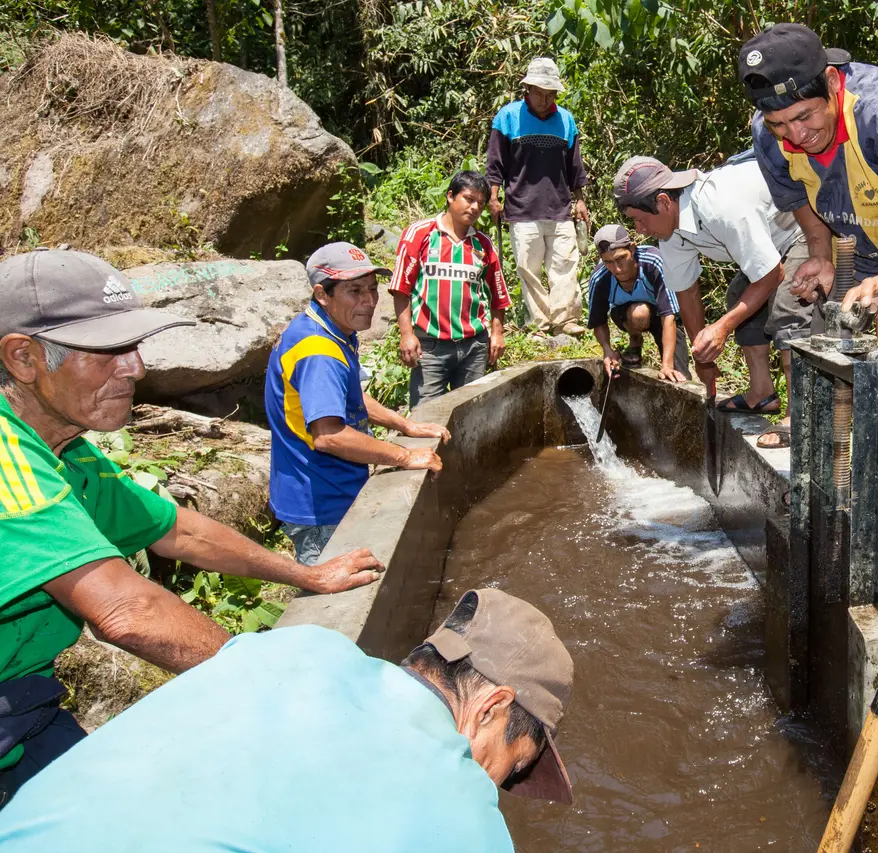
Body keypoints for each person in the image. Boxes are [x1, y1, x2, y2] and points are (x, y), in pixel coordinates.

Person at [0, 250, 384, 805]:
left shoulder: (69, 452)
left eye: (132, 347)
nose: (135, 368)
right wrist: (278, 685)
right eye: (108, 351)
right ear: (23, 358)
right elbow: (125, 612)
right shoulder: (10, 459)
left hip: (26, 702)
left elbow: (177, 531)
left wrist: (308, 576)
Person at [0, 588, 575, 851]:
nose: (499, 787)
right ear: (491, 707)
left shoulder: (293, 647)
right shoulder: (460, 813)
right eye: (513, 767)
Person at [739, 23, 878, 454]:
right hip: (848, 231)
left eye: (805, 116)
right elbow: (795, 195)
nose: (796, 135)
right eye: (780, 124)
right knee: (812, 319)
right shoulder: (767, 132)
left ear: (830, 82)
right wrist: (821, 252)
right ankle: (819, 445)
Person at [613, 153, 818, 448]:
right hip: (769, 249)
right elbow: (687, 291)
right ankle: (762, 393)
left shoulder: (719, 205)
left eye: (639, 220)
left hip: (800, 233)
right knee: (738, 296)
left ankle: (799, 414)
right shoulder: (670, 232)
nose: (640, 230)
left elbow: (772, 274)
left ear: (663, 202)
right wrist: (702, 355)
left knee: (789, 305)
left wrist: (721, 328)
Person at [266, 241, 452, 565]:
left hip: (327, 488)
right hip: (321, 504)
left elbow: (346, 396)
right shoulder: (318, 351)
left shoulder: (331, 328)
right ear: (323, 294)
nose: (369, 302)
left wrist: (403, 424)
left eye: (372, 289)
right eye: (355, 291)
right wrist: (403, 456)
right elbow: (329, 435)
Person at [486, 57, 590, 337]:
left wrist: (580, 200)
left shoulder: (566, 120)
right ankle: (540, 324)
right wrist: (493, 197)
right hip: (522, 207)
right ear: (527, 90)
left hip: (559, 207)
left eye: (550, 94)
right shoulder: (508, 117)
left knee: (565, 267)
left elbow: (575, 166)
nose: (544, 100)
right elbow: (495, 162)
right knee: (528, 269)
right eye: (539, 93)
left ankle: (565, 320)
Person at [391, 171, 512, 407]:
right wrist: (406, 334)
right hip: (430, 347)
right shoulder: (420, 235)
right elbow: (400, 289)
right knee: (426, 417)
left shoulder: (484, 245)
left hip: (474, 347)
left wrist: (497, 333)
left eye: (481, 202)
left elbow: (498, 296)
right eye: (469, 199)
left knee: (473, 416)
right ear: (450, 196)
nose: (475, 207)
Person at [586, 224, 689, 382]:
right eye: (609, 262)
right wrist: (607, 350)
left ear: (632, 249)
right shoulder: (600, 277)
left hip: (662, 317)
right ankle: (635, 341)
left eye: (621, 258)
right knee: (638, 313)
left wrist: (667, 365)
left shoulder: (654, 262)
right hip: (625, 315)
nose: (617, 268)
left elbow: (669, 316)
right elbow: (598, 321)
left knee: (678, 375)